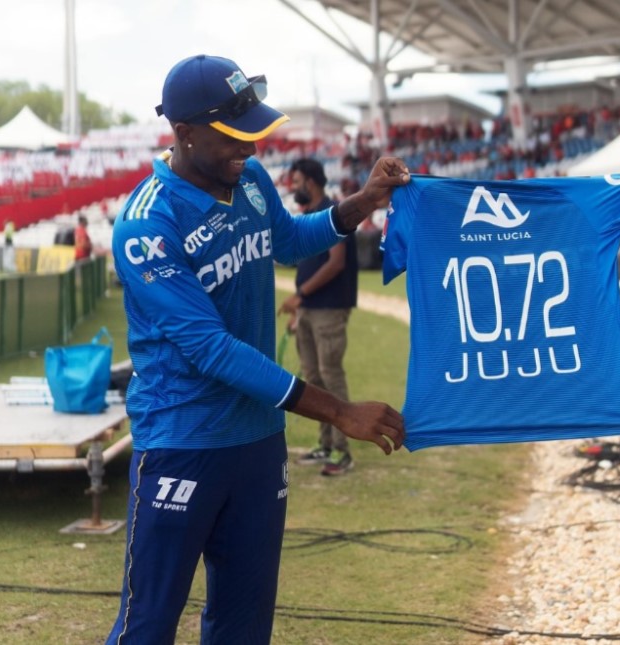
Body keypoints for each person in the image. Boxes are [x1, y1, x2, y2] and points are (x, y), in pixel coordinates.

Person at [106, 54, 408, 644]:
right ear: (184, 133)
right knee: (147, 627)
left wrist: (364, 201)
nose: (249, 147)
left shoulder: (247, 177)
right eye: (232, 136)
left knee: (244, 626)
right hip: (182, 445)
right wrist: (341, 412)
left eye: (253, 132)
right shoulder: (146, 225)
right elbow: (212, 350)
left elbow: (292, 242)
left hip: (257, 445)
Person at [278, 158, 359, 476]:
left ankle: (343, 451)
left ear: (310, 182)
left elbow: (336, 263)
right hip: (310, 309)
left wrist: (301, 294)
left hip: (329, 308)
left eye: (296, 181)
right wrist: (300, 308)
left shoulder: (333, 214)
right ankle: (325, 444)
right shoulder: (308, 216)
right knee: (313, 378)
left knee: (331, 375)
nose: (293, 188)